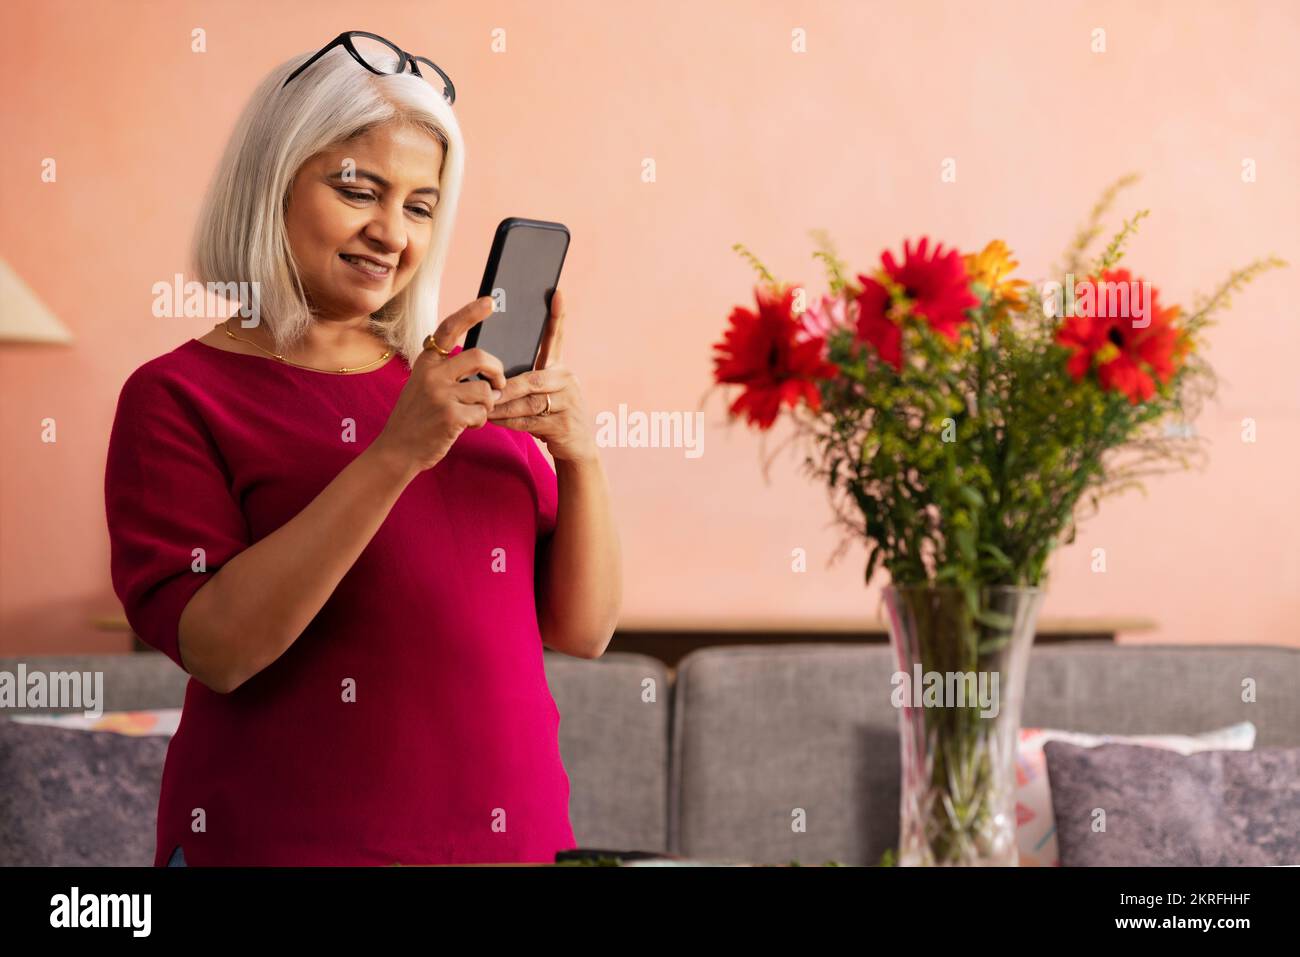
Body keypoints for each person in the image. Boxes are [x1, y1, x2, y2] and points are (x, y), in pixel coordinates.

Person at [105, 32, 621, 867]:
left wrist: (581, 457)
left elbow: (584, 629)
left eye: (420, 205)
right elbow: (221, 650)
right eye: (357, 190)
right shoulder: (176, 396)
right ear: (270, 183)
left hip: (517, 849)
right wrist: (393, 455)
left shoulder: (451, 384)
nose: (391, 233)